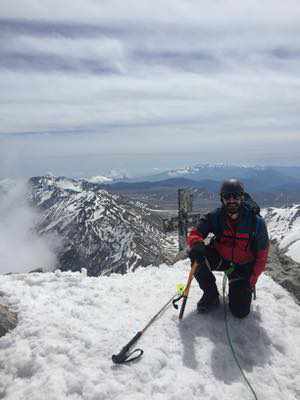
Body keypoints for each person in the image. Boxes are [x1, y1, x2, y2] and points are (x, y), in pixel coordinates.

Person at [187, 179, 269, 318]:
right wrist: (197, 244)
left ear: (242, 197)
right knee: (196, 255)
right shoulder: (216, 216)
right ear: (222, 198)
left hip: (242, 268)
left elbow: (262, 256)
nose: (231, 200)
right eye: (227, 196)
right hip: (222, 259)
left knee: (240, 312)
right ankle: (211, 295)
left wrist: (251, 281)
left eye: (235, 196)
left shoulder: (256, 222)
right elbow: (196, 232)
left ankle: (238, 288)